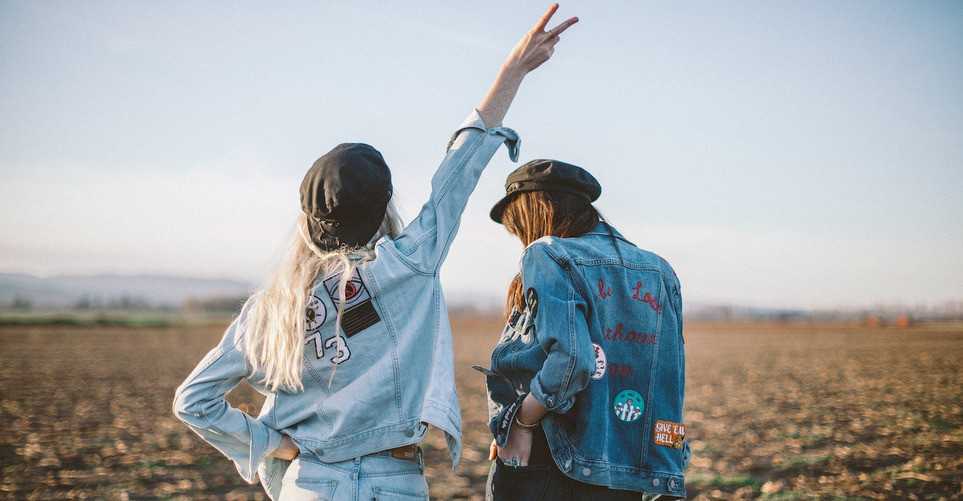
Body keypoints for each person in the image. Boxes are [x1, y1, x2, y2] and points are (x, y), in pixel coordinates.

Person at [172, 5, 579, 500]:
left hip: (311, 485)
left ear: (307, 220)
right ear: (384, 207)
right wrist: (513, 71)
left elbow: (193, 401)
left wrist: (276, 445)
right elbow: (458, 171)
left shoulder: (272, 309)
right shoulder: (409, 262)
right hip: (395, 482)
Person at [482, 159, 689, 500]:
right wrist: (668, 461)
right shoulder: (659, 270)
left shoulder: (548, 254)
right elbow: (669, 381)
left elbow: (573, 359)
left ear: (535, 209)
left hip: (548, 459)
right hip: (621, 476)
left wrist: (519, 424)